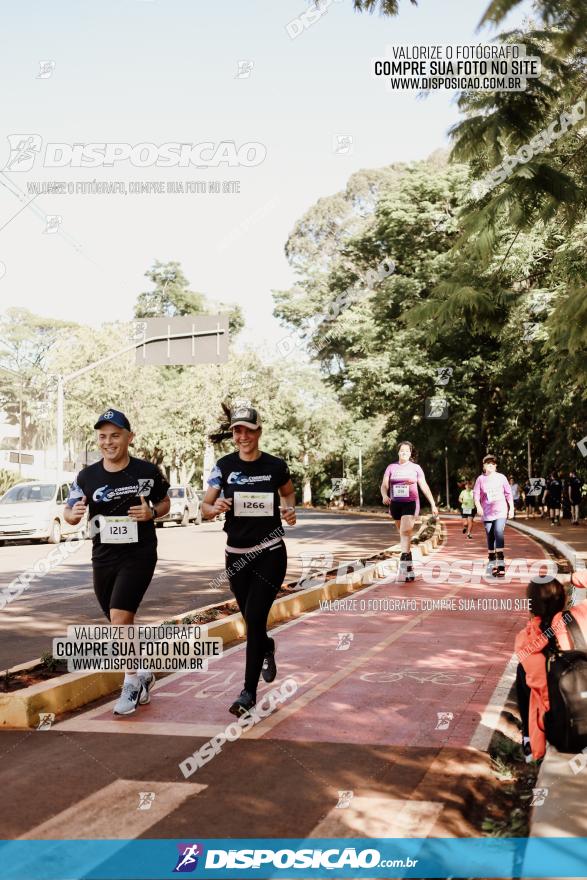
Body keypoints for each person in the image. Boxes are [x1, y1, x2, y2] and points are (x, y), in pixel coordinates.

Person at [64, 409, 170, 715]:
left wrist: (152, 512)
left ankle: (131, 682)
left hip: (139, 554)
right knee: (118, 623)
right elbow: (70, 513)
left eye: (115, 435)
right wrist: (72, 515)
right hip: (103, 557)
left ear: (129, 438)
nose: (108, 442)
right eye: (103, 436)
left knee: (120, 617)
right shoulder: (87, 477)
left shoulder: (147, 472)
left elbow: (165, 502)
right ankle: (143, 674)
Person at [201, 405, 296, 717]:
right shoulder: (223, 466)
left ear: (259, 431)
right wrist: (215, 508)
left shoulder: (275, 466)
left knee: (254, 618)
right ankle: (266, 646)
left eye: (248, 430)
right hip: (236, 558)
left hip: (270, 552)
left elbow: (288, 494)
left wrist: (290, 510)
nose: (243, 436)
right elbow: (205, 506)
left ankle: (248, 692)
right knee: (252, 622)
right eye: (237, 431)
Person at [515, 572, 587, 762]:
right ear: (564, 598)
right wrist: (572, 578)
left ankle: (528, 740)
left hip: (558, 729)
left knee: (522, 671)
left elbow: (538, 687)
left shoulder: (525, 639)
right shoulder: (581, 615)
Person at [380, 441, 438, 582]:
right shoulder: (391, 467)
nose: (404, 452)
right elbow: (384, 485)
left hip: (411, 503)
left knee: (405, 532)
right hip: (395, 505)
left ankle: (404, 566)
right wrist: (384, 495)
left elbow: (424, 486)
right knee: (403, 535)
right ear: (398, 452)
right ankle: (409, 568)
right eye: (402, 450)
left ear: (410, 453)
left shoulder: (416, 468)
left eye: (407, 450)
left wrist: (433, 504)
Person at [473, 454, 514, 577]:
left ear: (496, 466)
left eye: (493, 463)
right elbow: (476, 496)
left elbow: (508, 494)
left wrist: (511, 508)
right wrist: (479, 507)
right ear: (484, 466)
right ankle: (492, 563)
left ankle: (501, 564)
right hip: (487, 513)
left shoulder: (502, 478)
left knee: (498, 532)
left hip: (501, 511)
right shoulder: (480, 479)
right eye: (488, 463)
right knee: (490, 536)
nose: (490, 465)